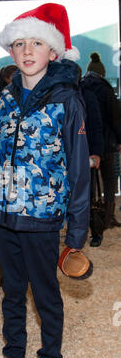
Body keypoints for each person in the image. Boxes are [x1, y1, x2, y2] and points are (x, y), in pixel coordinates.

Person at [0, 3, 90, 358]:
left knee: (44, 296)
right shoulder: (7, 100)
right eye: (20, 44)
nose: (28, 51)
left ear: (53, 51)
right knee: (12, 294)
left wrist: (77, 232)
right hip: (7, 215)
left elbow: (78, 170)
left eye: (37, 43)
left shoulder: (67, 101)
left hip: (42, 219)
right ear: (11, 51)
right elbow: (4, 151)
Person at [80, 70, 121, 229]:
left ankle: (91, 217)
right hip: (107, 140)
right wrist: (119, 139)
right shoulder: (105, 88)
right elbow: (115, 116)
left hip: (88, 142)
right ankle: (109, 217)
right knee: (109, 178)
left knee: (89, 180)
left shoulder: (82, 89)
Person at [77, 66, 104, 246]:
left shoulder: (87, 95)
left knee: (90, 196)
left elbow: (95, 125)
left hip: (86, 152)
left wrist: (96, 152)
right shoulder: (59, 95)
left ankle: (96, 232)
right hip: (70, 153)